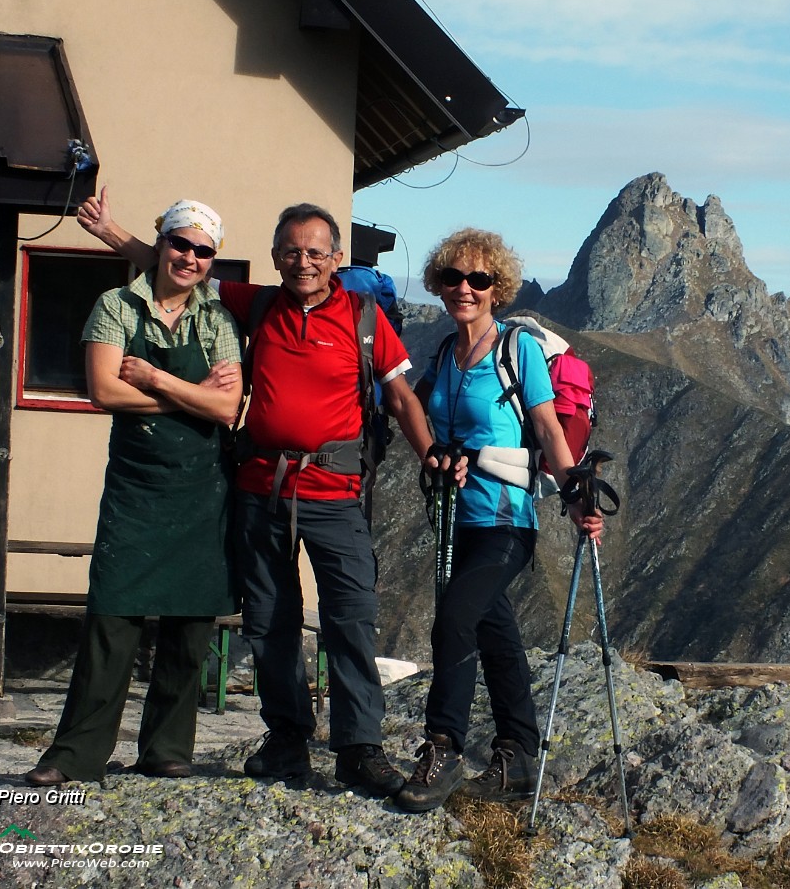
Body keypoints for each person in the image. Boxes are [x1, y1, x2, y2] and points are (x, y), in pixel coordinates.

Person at [77, 190, 462, 798]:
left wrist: (432, 452)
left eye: (314, 252)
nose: (302, 262)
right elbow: (175, 264)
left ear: (335, 257)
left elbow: (400, 397)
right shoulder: (254, 305)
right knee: (271, 619)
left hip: (335, 494)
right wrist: (110, 231)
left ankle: (359, 747)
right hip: (259, 487)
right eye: (289, 251)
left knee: (350, 618)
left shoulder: (365, 319)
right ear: (276, 257)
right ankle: (287, 736)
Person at [25, 200, 242, 786]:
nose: (189, 257)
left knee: (191, 623)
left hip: (202, 491)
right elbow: (102, 390)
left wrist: (152, 378)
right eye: (180, 243)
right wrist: (189, 394)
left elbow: (226, 408)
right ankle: (76, 753)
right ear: (162, 241)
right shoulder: (115, 306)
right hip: (136, 488)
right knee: (111, 617)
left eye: (203, 250)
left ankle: (167, 747)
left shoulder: (219, 318)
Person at [394, 228, 603, 813]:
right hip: (456, 521)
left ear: (496, 289)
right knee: (494, 631)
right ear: (438, 285)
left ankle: (444, 749)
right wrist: (436, 456)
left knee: (455, 619)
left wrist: (574, 495)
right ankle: (518, 755)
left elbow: (547, 430)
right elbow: (425, 423)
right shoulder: (443, 353)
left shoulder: (518, 351)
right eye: (454, 277)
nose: (465, 288)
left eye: (479, 280)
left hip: (507, 524)